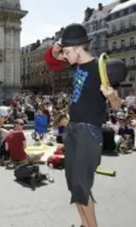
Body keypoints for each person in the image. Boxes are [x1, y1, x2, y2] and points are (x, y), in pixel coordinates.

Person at [44, 23, 122, 227]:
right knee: (75, 186)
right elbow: (51, 60)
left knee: (80, 186)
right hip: (73, 130)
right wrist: (58, 45)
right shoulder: (77, 63)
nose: (66, 57)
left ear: (79, 48)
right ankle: (84, 224)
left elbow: (116, 104)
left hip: (89, 132)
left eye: (68, 52)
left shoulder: (100, 68)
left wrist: (112, 96)